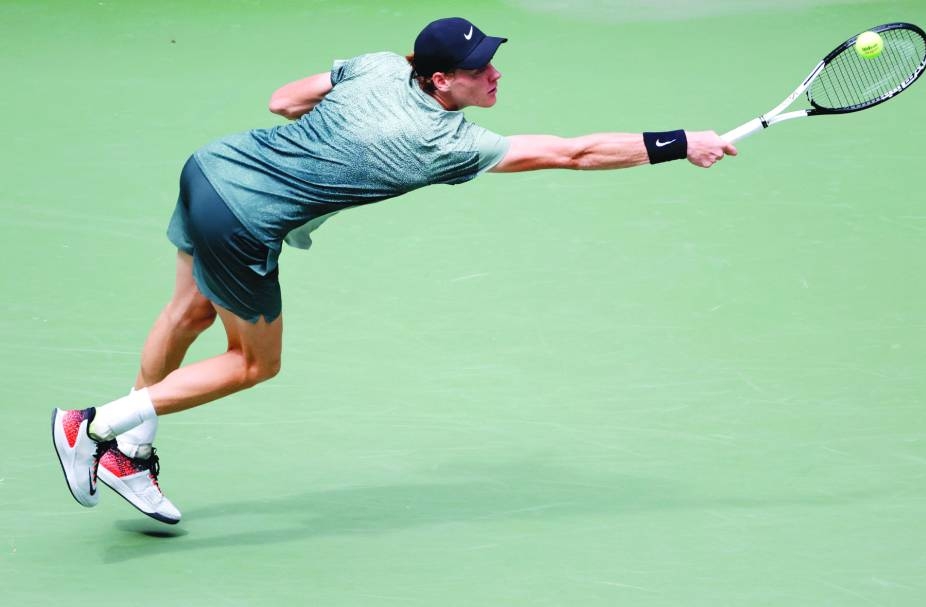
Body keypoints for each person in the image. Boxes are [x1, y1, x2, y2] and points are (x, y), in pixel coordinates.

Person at [51, 17, 737, 524]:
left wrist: (338, 131)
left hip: (210, 168)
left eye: (492, 62)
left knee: (188, 311)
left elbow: (282, 101)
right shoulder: (444, 142)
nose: (494, 75)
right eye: (478, 69)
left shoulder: (379, 64)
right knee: (253, 363)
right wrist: (684, 143)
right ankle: (95, 425)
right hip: (244, 220)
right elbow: (576, 153)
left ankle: (130, 453)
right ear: (440, 80)